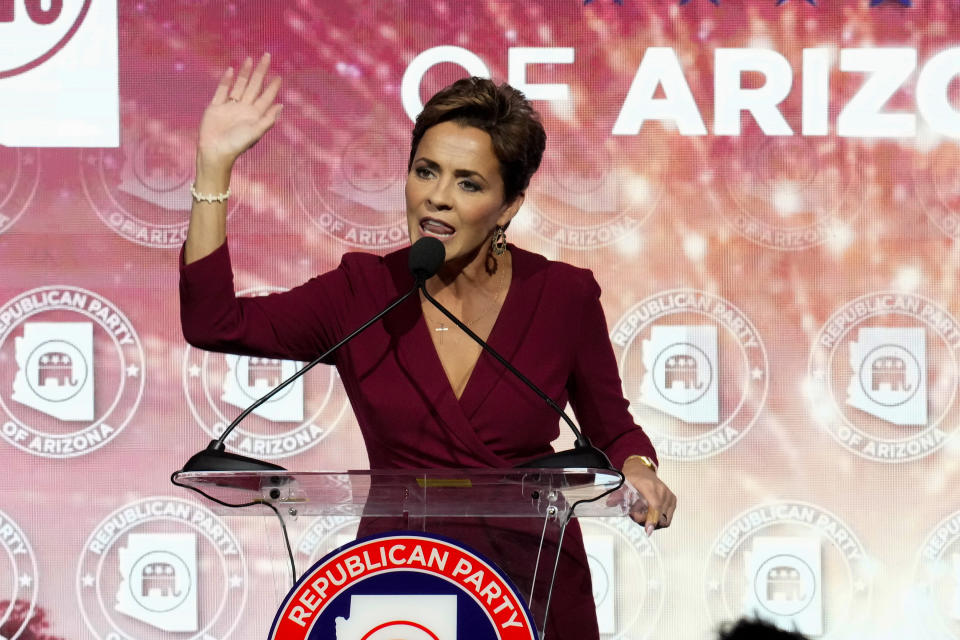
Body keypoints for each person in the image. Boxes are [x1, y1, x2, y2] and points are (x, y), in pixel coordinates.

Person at [179, 53, 676, 637]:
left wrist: (639, 470)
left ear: (508, 207)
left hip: (533, 587)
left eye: (468, 183)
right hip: (399, 590)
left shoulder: (562, 295)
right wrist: (213, 169)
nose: (437, 198)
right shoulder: (362, 292)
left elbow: (612, 429)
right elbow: (215, 322)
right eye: (425, 171)